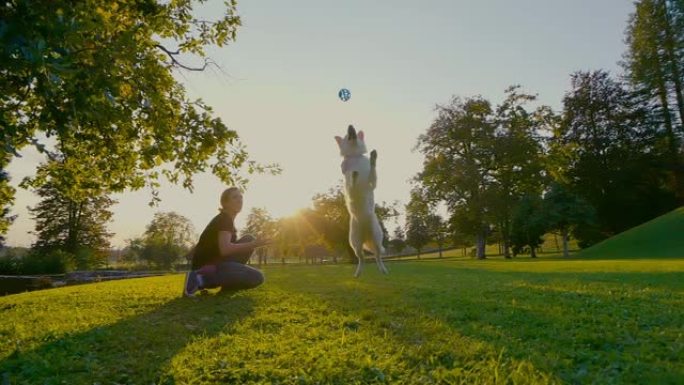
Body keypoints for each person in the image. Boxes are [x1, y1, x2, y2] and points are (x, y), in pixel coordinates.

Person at [183, 187, 271, 297]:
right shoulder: (225, 220)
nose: (240, 200)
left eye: (241, 197)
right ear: (225, 203)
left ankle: (227, 285)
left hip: (216, 264)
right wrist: (256, 244)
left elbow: (207, 243)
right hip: (208, 268)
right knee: (258, 277)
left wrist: (192, 254)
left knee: (248, 238)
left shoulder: (223, 219)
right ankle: (199, 279)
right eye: (235, 197)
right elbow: (225, 249)